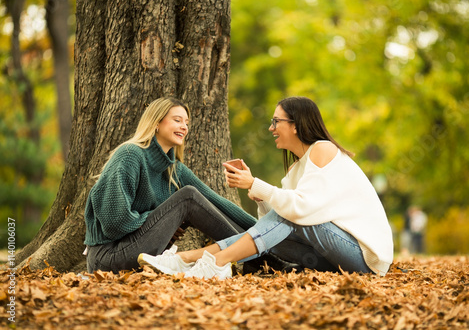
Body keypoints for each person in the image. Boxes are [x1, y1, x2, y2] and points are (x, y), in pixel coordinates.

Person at [139, 96, 394, 279]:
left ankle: (209, 262)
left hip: (365, 258)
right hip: (333, 259)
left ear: (295, 124)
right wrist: (257, 193)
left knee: (290, 216)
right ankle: (185, 260)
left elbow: (300, 210)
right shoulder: (295, 170)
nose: (271, 128)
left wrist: (257, 185)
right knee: (273, 234)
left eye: (276, 121)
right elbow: (268, 226)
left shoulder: (323, 149)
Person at [83, 97, 259, 273]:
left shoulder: (174, 168)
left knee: (193, 198)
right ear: (156, 123)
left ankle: (261, 251)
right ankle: (261, 256)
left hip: (139, 254)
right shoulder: (130, 155)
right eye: (177, 120)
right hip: (108, 258)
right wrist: (161, 218)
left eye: (186, 122)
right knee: (188, 197)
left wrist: (263, 229)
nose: (184, 126)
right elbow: (114, 223)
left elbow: (218, 203)